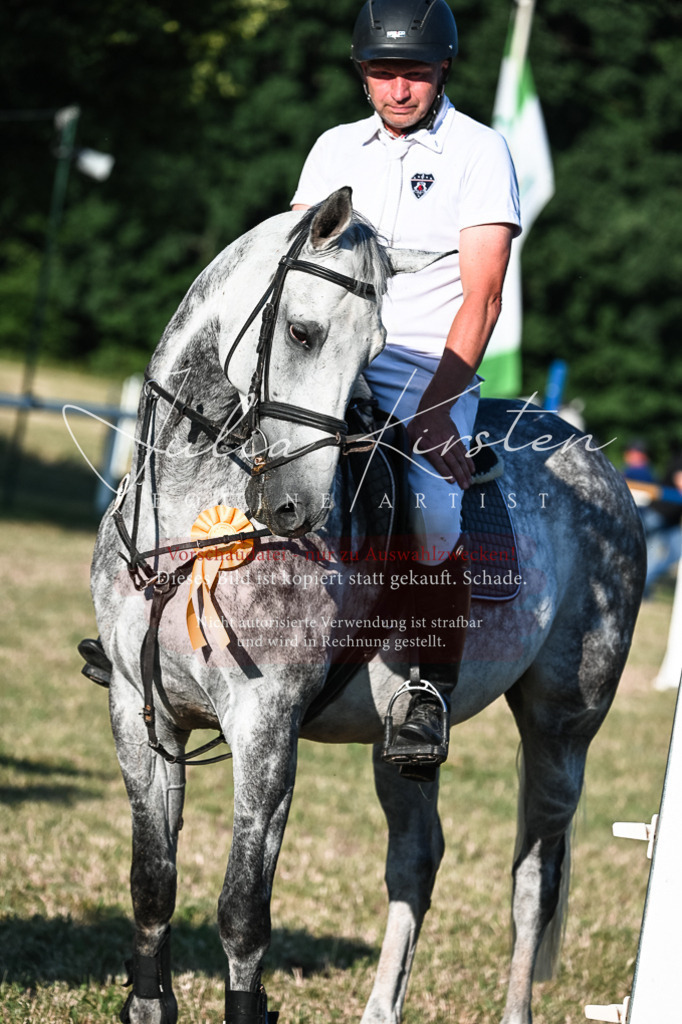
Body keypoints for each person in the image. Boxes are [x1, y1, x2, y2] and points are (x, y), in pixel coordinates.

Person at [291, 0, 521, 770]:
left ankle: (423, 686)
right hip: (329, 361)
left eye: (414, 73)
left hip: (426, 365)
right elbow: (295, 262)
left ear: (443, 69)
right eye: (383, 73)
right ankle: (160, 612)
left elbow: (483, 294)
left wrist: (436, 411)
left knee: (429, 510)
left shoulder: (480, 151)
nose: (399, 89)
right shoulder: (332, 149)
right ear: (362, 75)